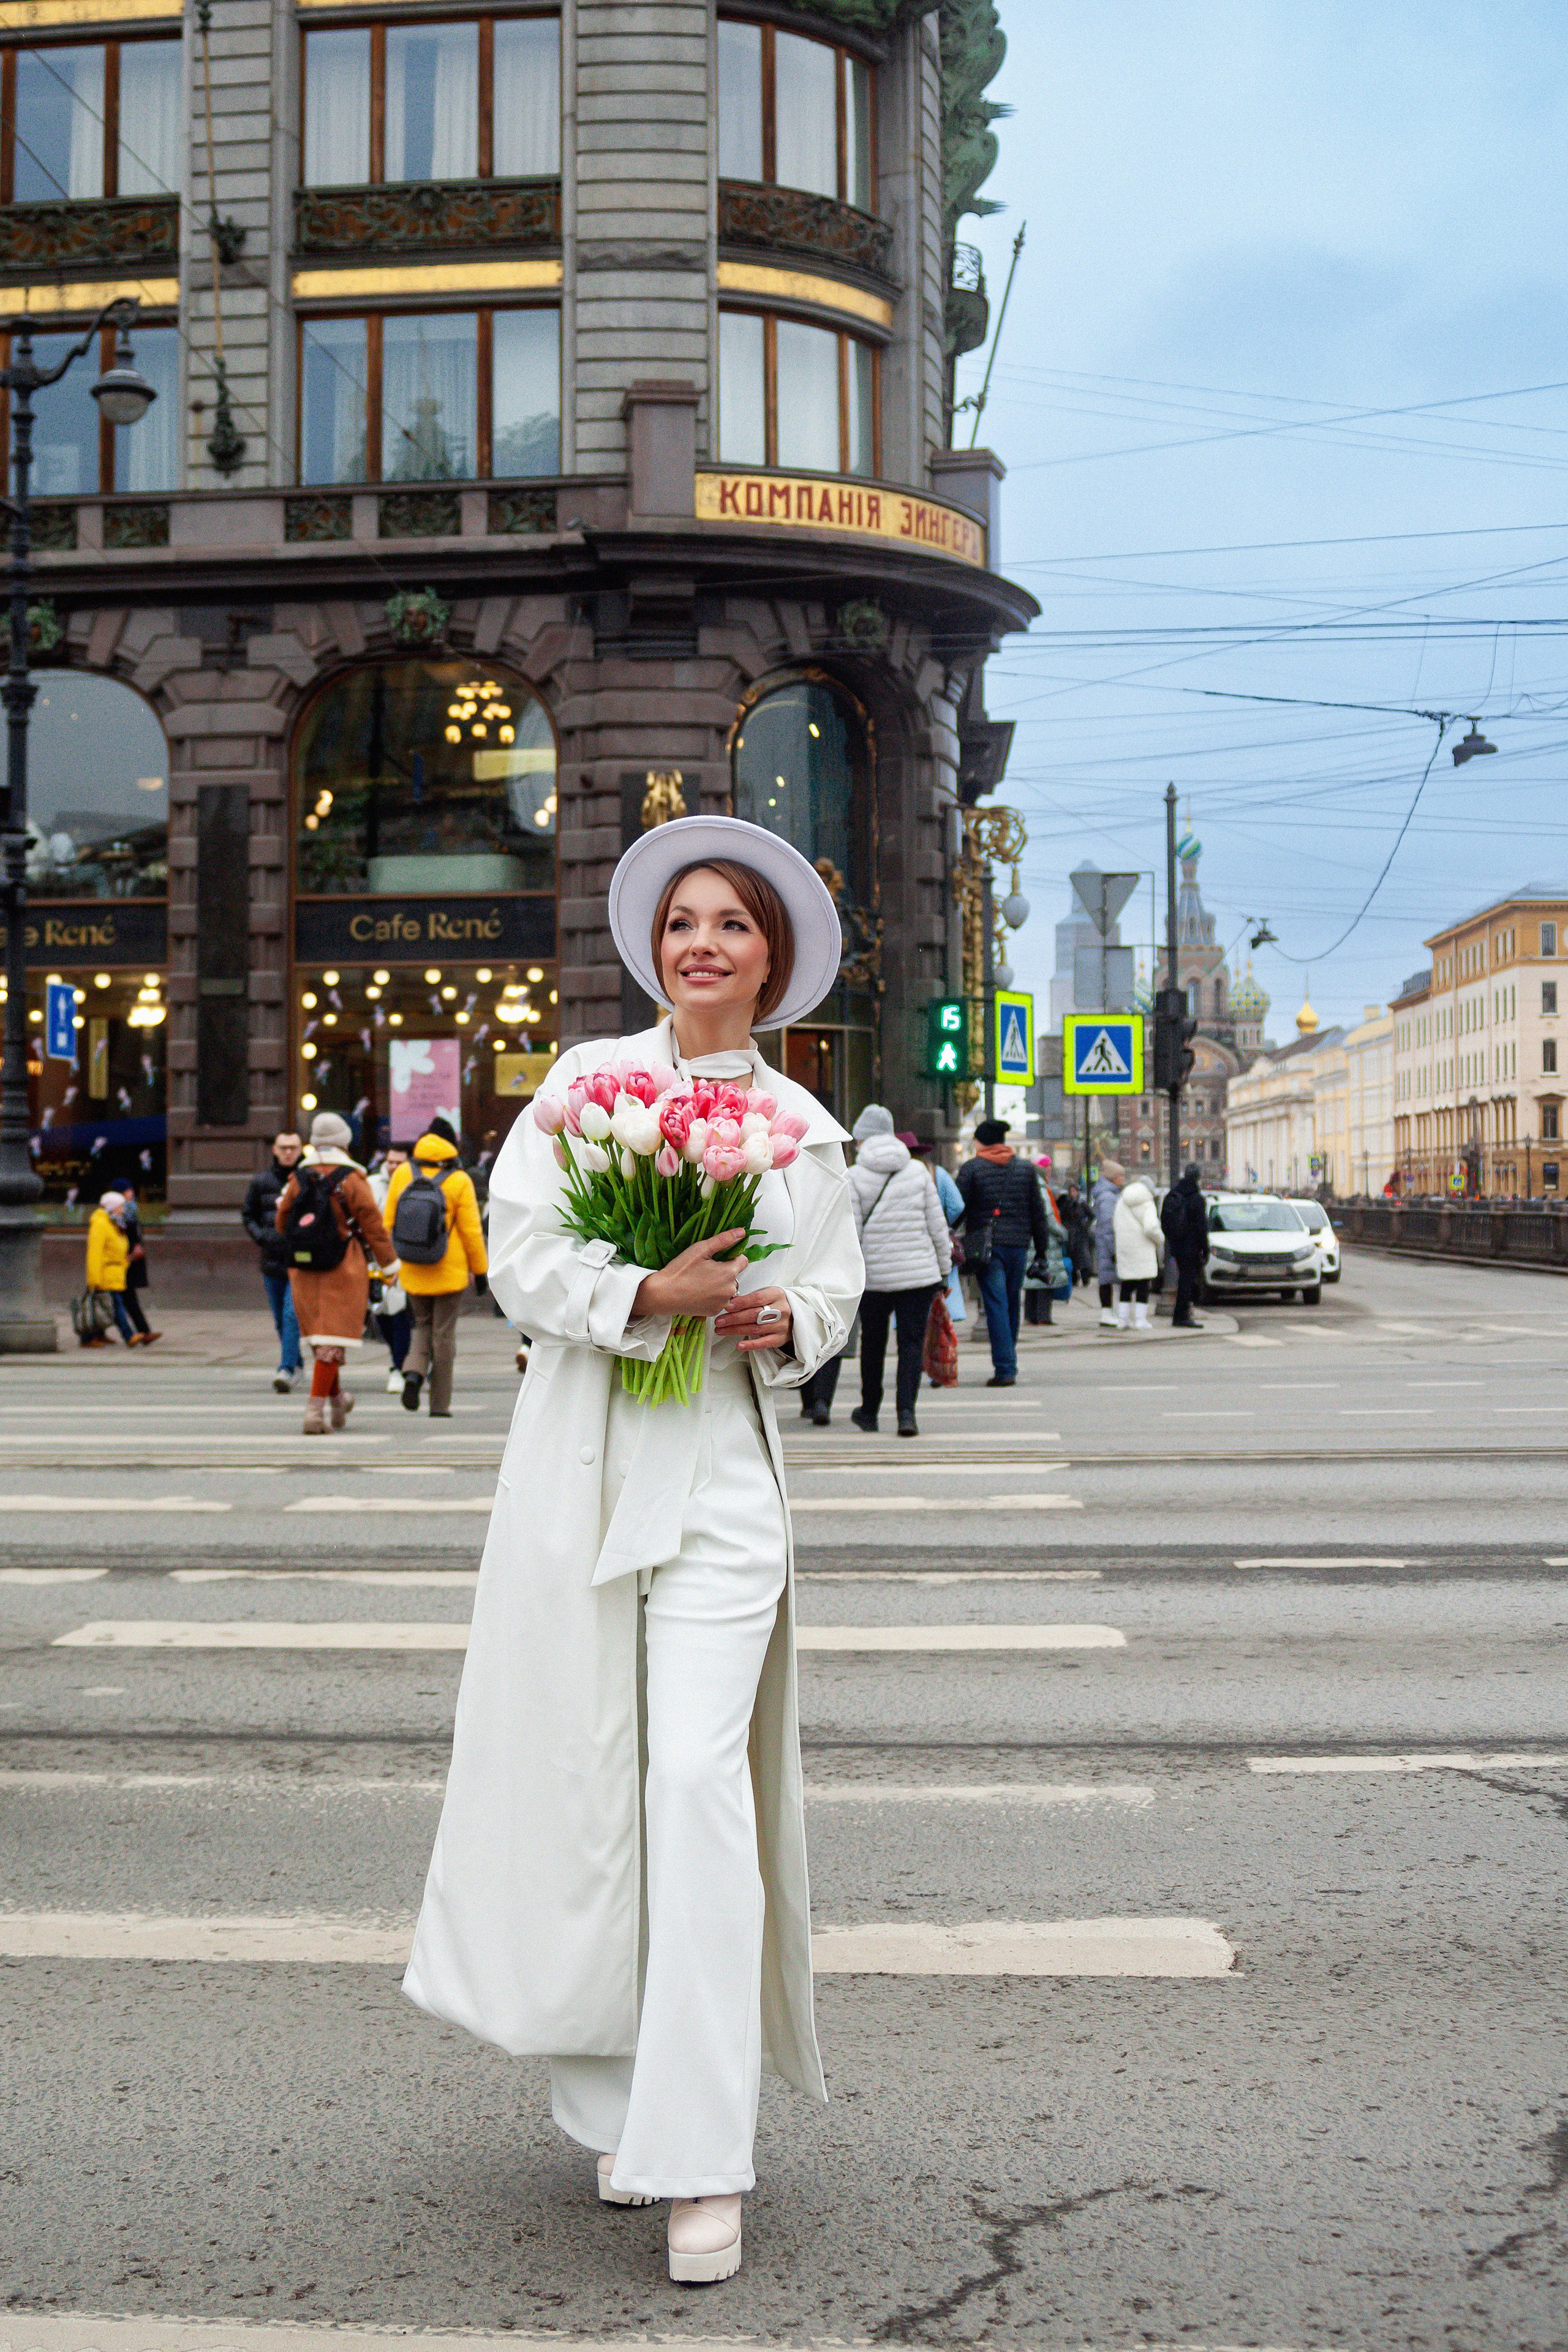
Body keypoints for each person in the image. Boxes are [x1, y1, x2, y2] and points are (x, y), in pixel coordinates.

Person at [402, 814, 862, 2288]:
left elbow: (832, 1287)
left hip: (721, 1481)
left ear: (770, 958)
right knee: (595, 1784)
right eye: (683, 923)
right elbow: (517, 1255)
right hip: (588, 1470)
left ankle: (699, 2153)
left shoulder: (803, 1127)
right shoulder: (584, 1085)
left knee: (690, 1787)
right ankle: (616, 2101)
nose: (704, 944)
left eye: (732, 924)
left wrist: (784, 1320)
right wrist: (641, 1288)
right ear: (652, 947)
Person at [275, 1112, 400, 1436]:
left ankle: (338, 1402)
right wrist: (390, 1267)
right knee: (334, 1339)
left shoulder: (298, 1179)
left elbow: (281, 1222)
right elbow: (373, 1225)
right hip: (343, 1266)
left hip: (303, 1268)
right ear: (344, 1141)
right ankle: (314, 1413)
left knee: (323, 1340)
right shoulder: (352, 1178)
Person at [844, 1106, 951, 1437]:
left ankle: (869, 1412)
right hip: (918, 1276)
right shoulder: (918, 1172)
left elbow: (852, 1234)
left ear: (861, 1139)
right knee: (911, 1344)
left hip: (873, 1279)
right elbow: (938, 1227)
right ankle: (907, 1414)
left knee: (873, 1344)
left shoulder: (853, 1176)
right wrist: (944, 1270)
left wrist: (850, 1274)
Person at [384, 1129, 489, 1418]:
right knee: (444, 1336)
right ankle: (440, 1405)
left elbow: (388, 1223)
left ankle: (413, 1374)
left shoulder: (404, 1173)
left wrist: (389, 1265)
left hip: (413, 1267)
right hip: (449, 1270)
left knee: (421, 1326)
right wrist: (480, 1272)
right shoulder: (459, 1180)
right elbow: (471, 1232)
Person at [955, 1117, 1050, 1387]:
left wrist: (947, 1234)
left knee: (996, 1304)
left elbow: (958, 1208)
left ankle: (1006, 1368)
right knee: (1010, 1303)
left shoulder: (972, 1169)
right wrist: (1041, 1251)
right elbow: (1038, 1212)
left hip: (987, 1247)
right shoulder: (1025, 1169)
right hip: (1019, 1246)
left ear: (982, 1141)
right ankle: (1009, 1360)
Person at [243, 1132, 304, 1393]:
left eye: (293, 1148)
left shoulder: (308, 1179)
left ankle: (287, 1369)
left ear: (301, 1150)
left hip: (300, 1261)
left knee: (292, 1315)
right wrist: (262, 1237)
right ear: (275, 1151)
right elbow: (248, 1215)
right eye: (284, 1148)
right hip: (271, 1261)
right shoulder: (262, 1182)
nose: (289, 1152)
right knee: (280, 1319)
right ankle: (297, 1363)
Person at [368, 1147, 413, 1393]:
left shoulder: (414, 1181)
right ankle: (406, 1362)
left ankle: (399, 1367)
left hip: (405, 1259)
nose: (394, 1166)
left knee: (400, 1315)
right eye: (390, 1161)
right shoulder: (372, 1183)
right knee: (382, 1315)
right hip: (376, 1261)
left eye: (399, 1162)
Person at [83, 1191, 137, 1348]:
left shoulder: (114, 1223)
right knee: (115, 1306)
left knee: (103, 1306)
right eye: (121, 1206)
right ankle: (129, 1336)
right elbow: (95, 1252)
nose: (123, 1210)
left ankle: (94, 1336)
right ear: (112, 1207)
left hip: (114, 1272)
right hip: (105, 1274)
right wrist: (94, 1279)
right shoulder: (101, 1224)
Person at [1161, 1163, 1210, 1330]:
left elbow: (1165, 1221)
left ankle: (1181, 1314)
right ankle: (1182, 1316)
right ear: (1198, 1177)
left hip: (1177, 1245)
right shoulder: (1197, 1199)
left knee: (1184, 1280)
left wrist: (1173, 1241)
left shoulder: (1174, 1194)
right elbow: (1201, 1227)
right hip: (1192, 1247)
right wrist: (1205, 1248)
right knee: (1186, 1282)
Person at [1112, 1169, 1163, 1330]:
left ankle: (1123, 1320)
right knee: (1143, 1284)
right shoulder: (1147, 1203)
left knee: (1126, 1284)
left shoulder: (1122, 1200)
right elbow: (1151, 1228)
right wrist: (1160, 1239)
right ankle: (1140, 1320)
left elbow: (1115, 1223)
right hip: (1142, 1250)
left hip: (1125, 1249)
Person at [1022, 1158, 1067, 1326]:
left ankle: (1030, 1316)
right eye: (1047, 1168)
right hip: (1044, 1239)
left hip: (1030, 1237)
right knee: (1045, 1278)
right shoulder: (1041, 1188)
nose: (1050, 1171)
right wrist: (1062, 1233)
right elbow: (1048, 1216)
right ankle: (1043, 1316)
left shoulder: (1028, 1185)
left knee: (1033, 1278)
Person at [118, 1184, 160, 1345]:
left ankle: (143, 1332)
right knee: (121, 1299)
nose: (132, 1193)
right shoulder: (119, 1215)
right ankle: (141, 1332)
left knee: (122, 1298)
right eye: (128, 1190)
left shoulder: (131, 1211)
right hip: (123, 1261)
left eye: (131, 1190)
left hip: (131, 1261)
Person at [1091, 1158, 1124, 1329]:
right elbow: (1108, 1224)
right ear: (1113, 1177)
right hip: (1107, 1245)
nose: (1123, 1179)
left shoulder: (1107, 1194)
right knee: (1107, 1279)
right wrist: (1114, 1249)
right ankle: (1107, 1313)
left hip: (1105, 1243)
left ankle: (1109, 1312)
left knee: (1107, 1279)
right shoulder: (1108, 1197)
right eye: (1120, 1176)